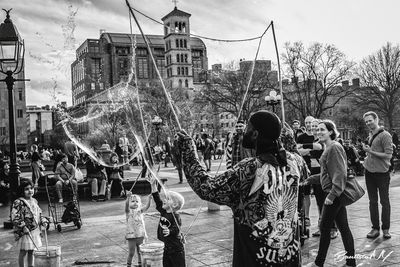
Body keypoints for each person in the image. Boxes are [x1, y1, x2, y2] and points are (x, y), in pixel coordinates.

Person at [178, 110, 308, 266]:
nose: (244, 130)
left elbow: (206, 188)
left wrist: (188, 151)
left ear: (255, 134)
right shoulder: (295, 162)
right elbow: (302, 168)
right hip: (289, 258)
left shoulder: (249, 169)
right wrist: (288, 139)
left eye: (248, 127)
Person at [303, 120, 355, 267]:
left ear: (331, 132)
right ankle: (351, 262)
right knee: (344, 228)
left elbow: (339, 174)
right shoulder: (329, 147)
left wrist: (331, 196)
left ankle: (318, 263)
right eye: (317, 130)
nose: (318, 132)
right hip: (334, 193)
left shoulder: (334, 147)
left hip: (334, 195)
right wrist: (312, 179)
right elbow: (328, 173)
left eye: (322, 130)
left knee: (324, 228)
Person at [362, 111, 393, 239]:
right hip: (369, 172)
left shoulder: (385, 135)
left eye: (370, 120)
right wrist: (367, 155)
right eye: (366, 122)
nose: (368, 123)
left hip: (382, 173)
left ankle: (386, 229)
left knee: (384, 201)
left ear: (377, 119)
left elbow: (388, 155)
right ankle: (375, 228)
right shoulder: (370, 135)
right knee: (372, 202)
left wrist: (371, 152)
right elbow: (371, 153)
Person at [11, 179, 49, 267]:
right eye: (27, 189)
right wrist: (23, 226)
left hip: (34, 230)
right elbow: (15, 216)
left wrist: (43, 220)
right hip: (25, 231)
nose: (30, 191)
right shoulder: (18, 202)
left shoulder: (34, 201)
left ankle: (30, 266)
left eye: (31, 188)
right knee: (23, 251)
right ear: (22, 191)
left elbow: (39, 213)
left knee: (32, 250)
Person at [151, 179, 185, 267]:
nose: (164, 200)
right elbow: (157, 201)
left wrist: (170, 231)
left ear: (174, 205)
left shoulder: (176, 216)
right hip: (166, 247)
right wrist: (153, 186)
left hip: (176, 248)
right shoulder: (164, 212)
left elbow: (177, 228)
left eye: (168, 199)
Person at [296, 116, 315, 227]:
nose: (308, 124)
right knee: (305, 193)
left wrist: (306, 150)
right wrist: (311, 150)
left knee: (318, 194)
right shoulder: (301, 137)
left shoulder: (317, 136)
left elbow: (320, 148)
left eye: (310, 122)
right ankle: (306, 217)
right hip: (304, 167)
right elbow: (298, 151)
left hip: (317, 168)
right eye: (306, 122)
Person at [125, 191, 151, 267]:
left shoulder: (140, 211)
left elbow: (147, 207)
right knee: (131, 252)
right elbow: (126, 206)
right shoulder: (128, 212)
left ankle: (140, 264)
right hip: (131, 236)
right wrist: (128, 198)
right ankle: (128, 265)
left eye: (137, 201)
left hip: (140, 235)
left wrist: (149, 199)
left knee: (140, 252)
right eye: (132, 201)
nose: (135, 203)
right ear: (129, 203)